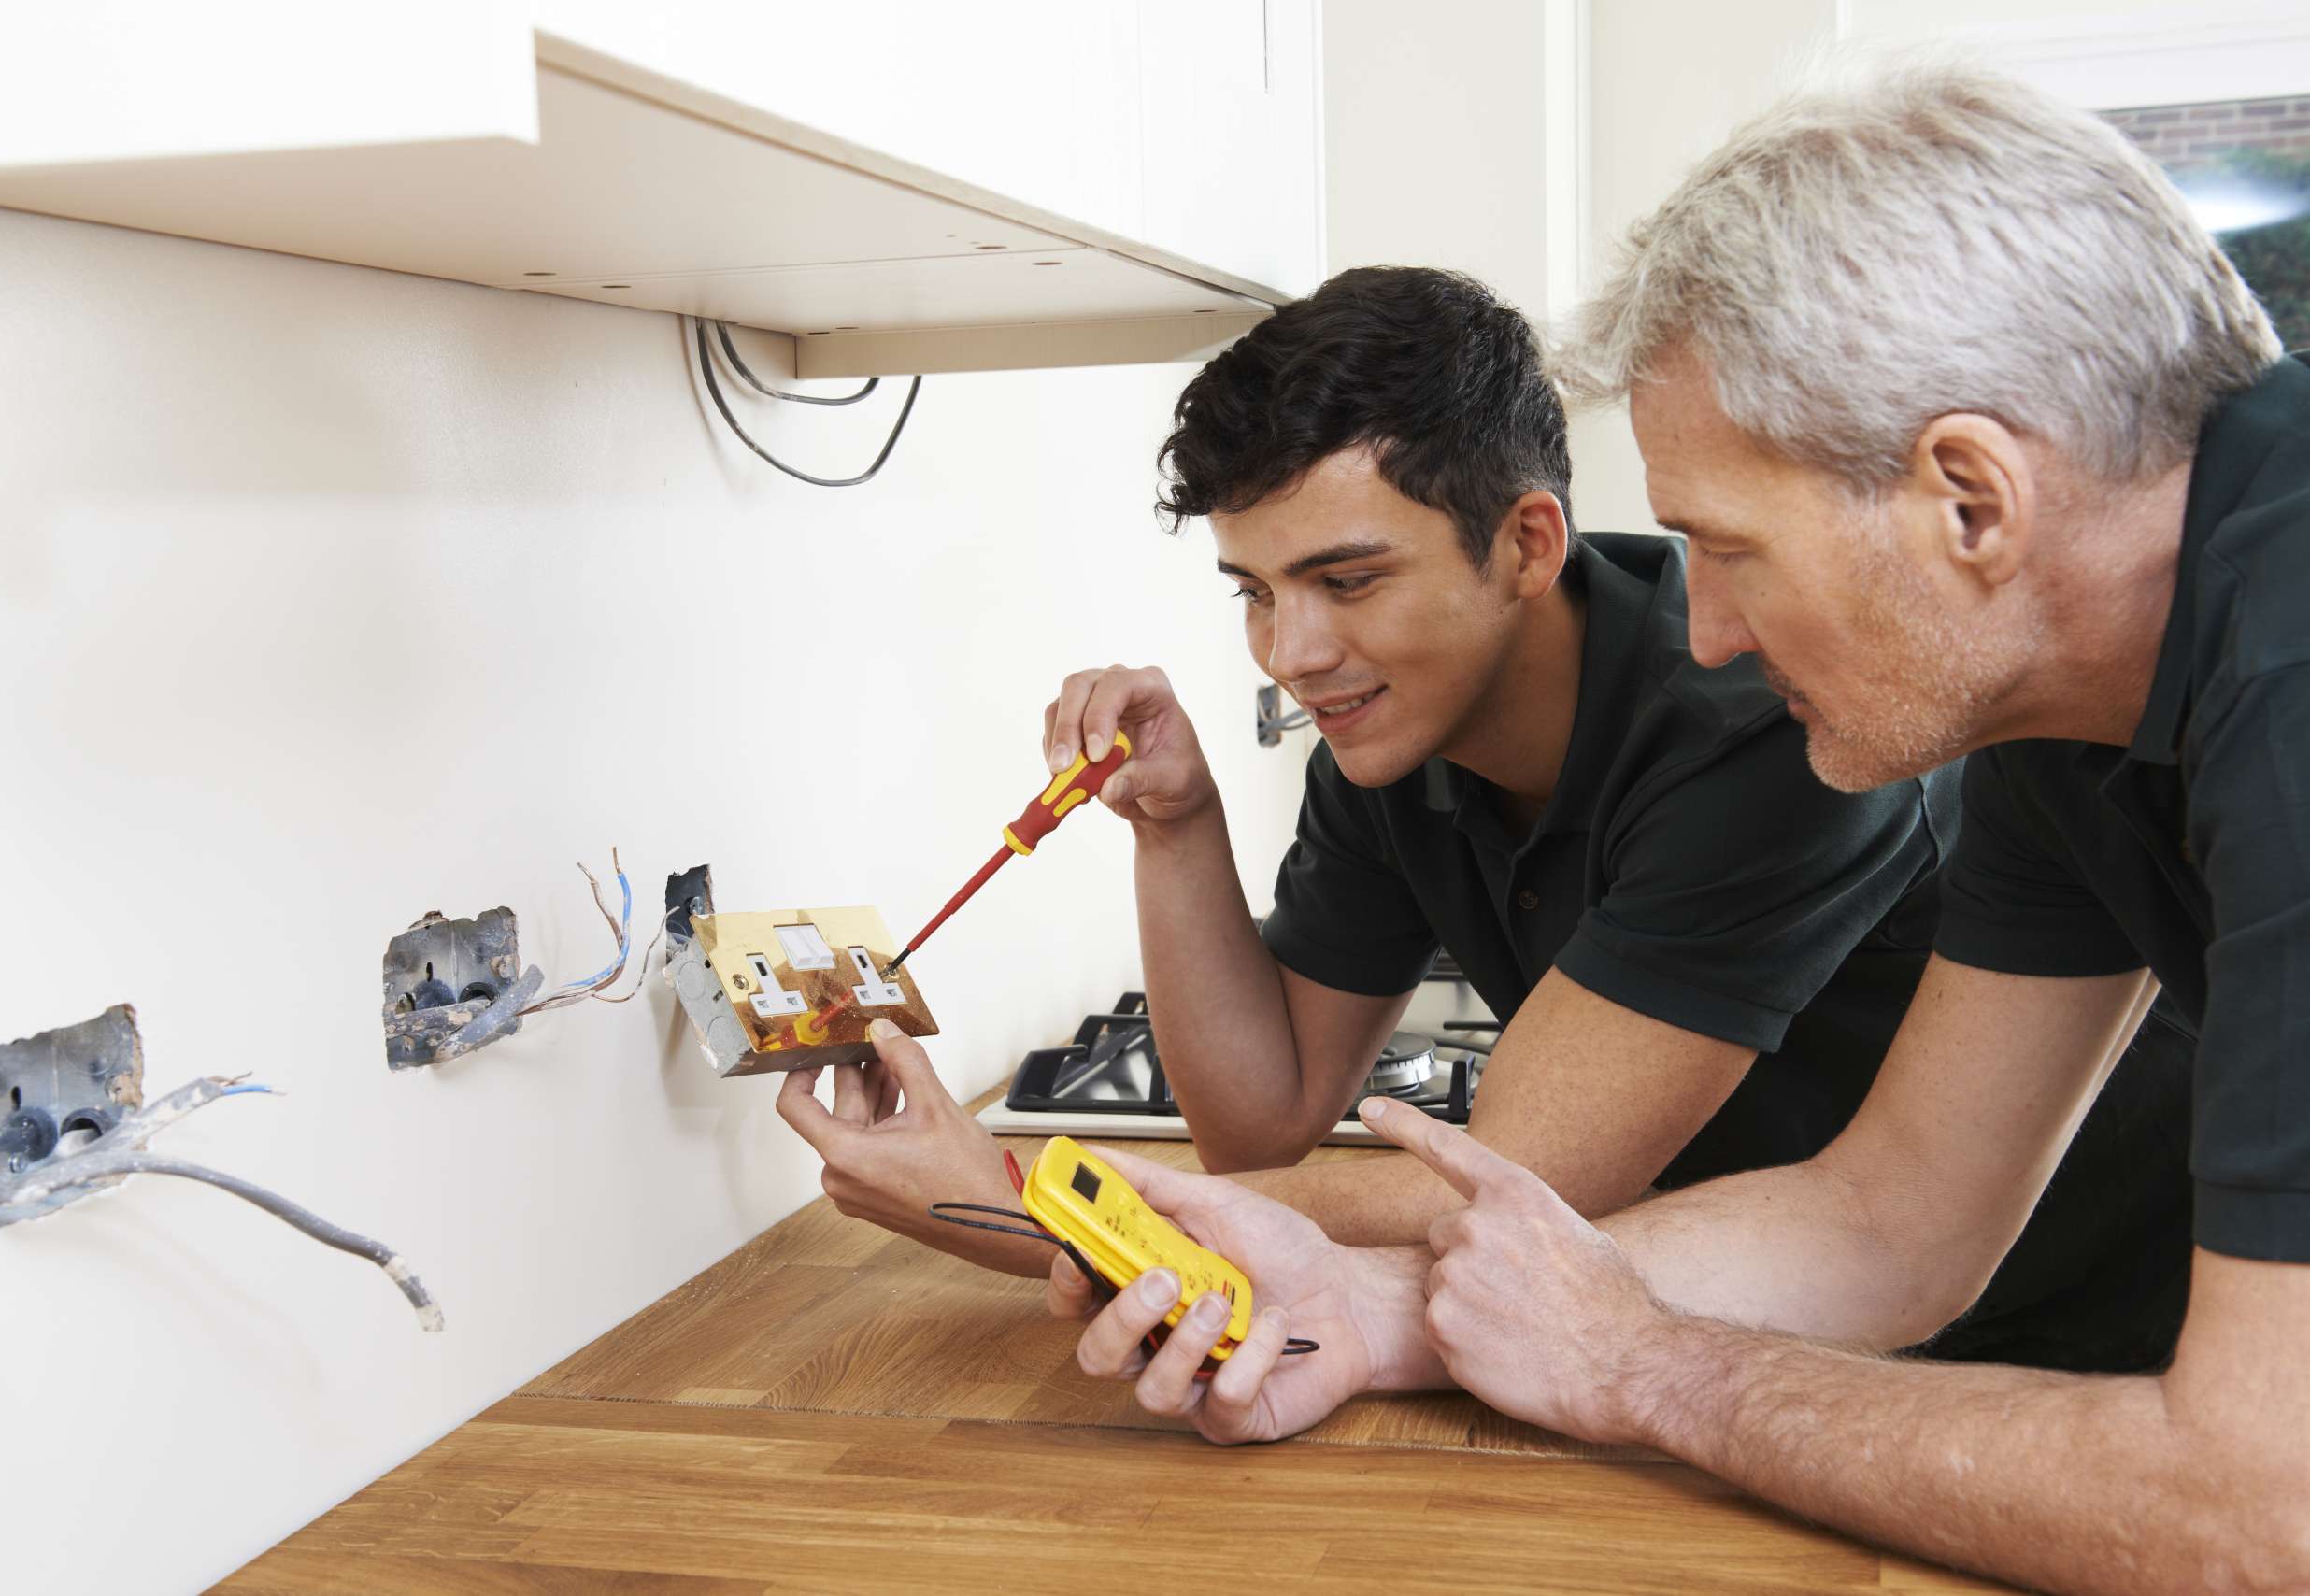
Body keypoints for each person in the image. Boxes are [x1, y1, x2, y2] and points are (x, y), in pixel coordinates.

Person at [1037, 61, 2310, 1595]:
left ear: (1969, 500)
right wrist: (1388, 1312)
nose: (1700, 631)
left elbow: (2260, 1508)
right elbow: (1892, 1220)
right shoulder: (2061, 691)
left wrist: (1650, 1370)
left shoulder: (2285, 680)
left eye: (1729, 546)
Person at [779, 264, 2191, 1375]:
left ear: (1526, 542)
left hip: (2096, 1320)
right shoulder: (1394, 745)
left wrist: (1026, 1202)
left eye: (1346, 579)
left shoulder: (1756, 728)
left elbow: (1514, 1187)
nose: (1292, 651)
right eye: (1256, 592)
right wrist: (1179, 827)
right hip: (1782, 1300)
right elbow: (1260, 1123)